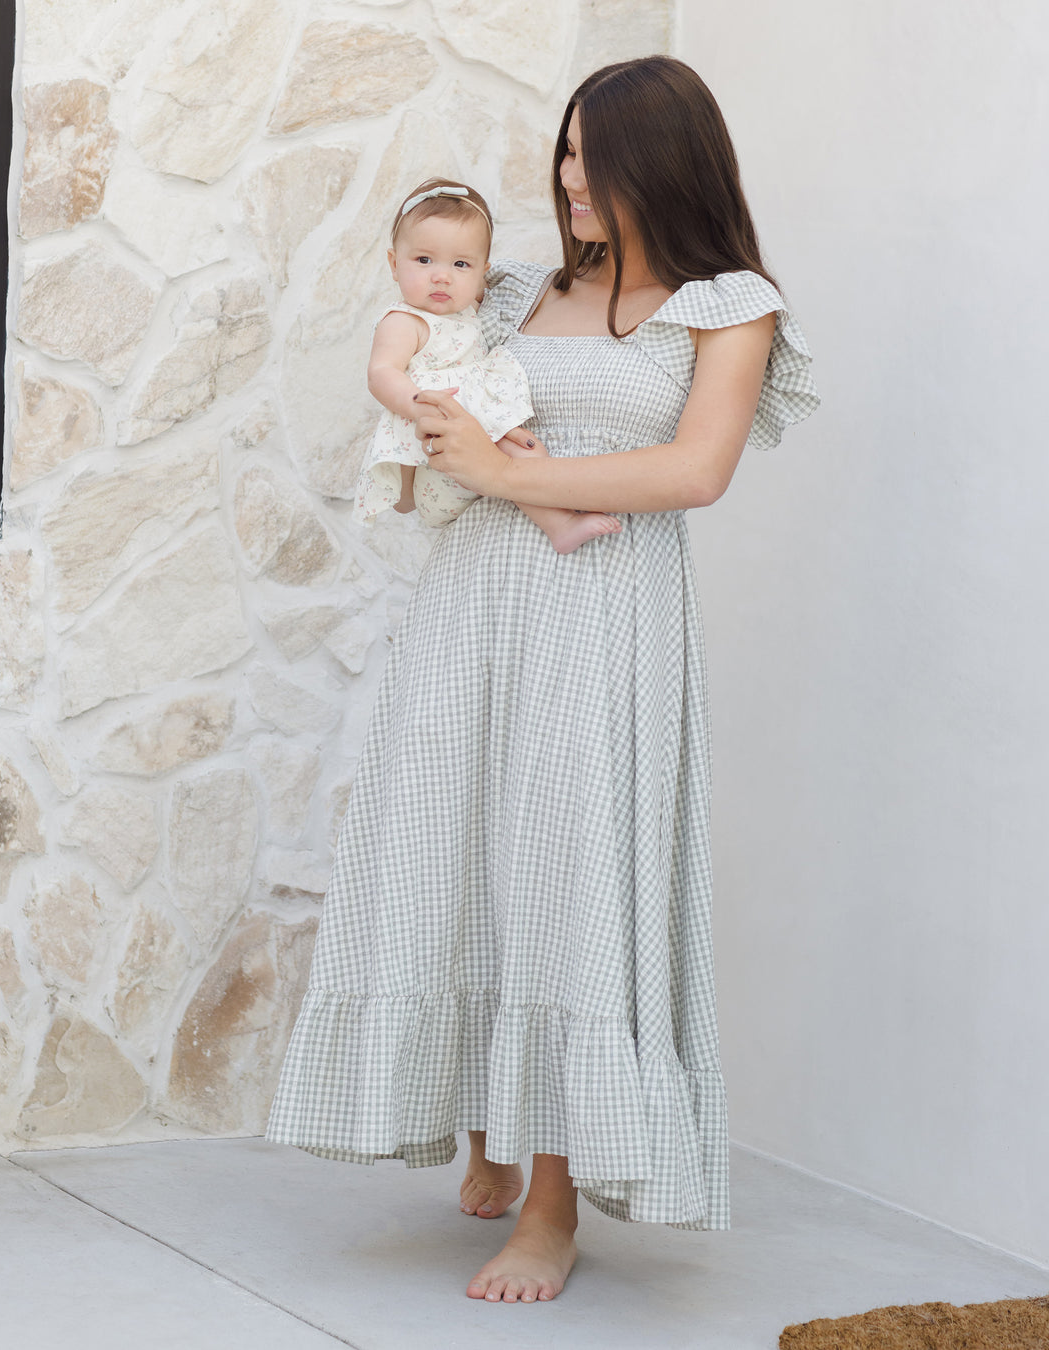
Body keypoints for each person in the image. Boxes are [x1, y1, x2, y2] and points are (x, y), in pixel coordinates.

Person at [266, 55, 820, 1305]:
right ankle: (483, 1137)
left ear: (659, 163)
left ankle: (556, 1202)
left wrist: (516, 478)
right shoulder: (514, 290)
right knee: (456, 854)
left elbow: (694, 474)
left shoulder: (728, 306)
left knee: (571, 878)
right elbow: (415, 353)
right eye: (563, 156)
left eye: (592, 160)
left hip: (605, 622)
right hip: (472, 611)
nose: (568, 181)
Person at [354, 175, 622, 552]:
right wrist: (421, 404)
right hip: (442, 436)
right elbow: (381, 373)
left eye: (461, 263)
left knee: (524, 451)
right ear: (394, 263)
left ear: (483, 273)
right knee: (522, 452)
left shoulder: (473, 312)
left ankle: (554, 513)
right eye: (424, 259)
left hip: (470, 462)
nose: (441, 275)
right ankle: (559, 524)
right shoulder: (405, 320)